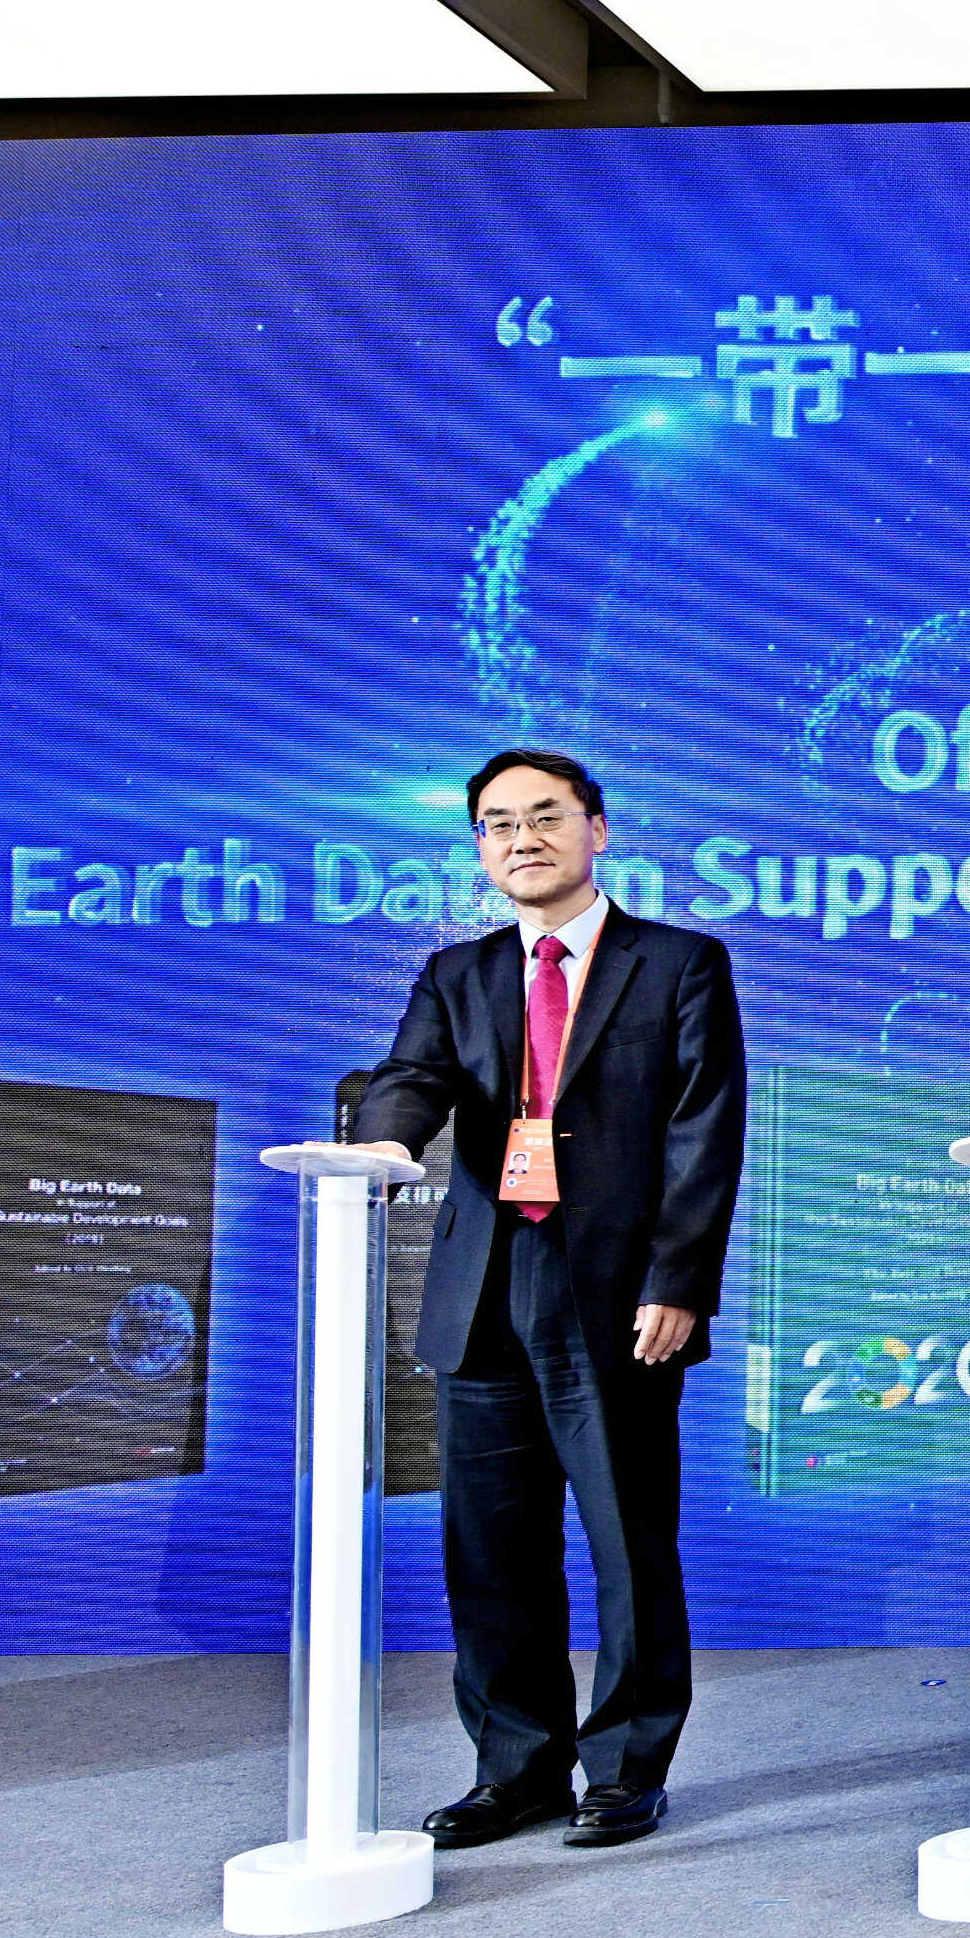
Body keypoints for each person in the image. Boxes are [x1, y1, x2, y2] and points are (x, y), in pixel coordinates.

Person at [345, 748, 745, 1852]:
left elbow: (703, 1132)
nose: (521, 838)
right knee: (490, 1549)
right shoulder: (458, 972)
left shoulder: (679, 962)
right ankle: (515, 1767)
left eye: (545, 816)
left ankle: (624, 1768)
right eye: (497, 822)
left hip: (616, 1293)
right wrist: (379, 1143)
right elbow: (412, 1076)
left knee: (627, 1541)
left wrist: (678, 1280)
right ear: (479, 844)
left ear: (596, 828)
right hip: (481, 1290)